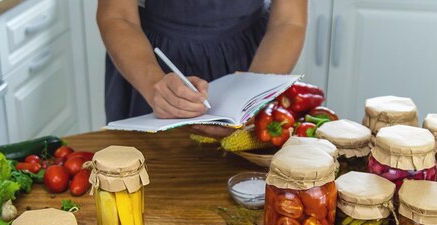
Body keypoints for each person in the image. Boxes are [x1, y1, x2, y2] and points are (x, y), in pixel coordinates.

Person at [97, 0, 307, 138]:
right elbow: (117, 15)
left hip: (256, 59)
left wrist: (252, 98)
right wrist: (153, 85)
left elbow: (289, 21)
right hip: (150, 62)